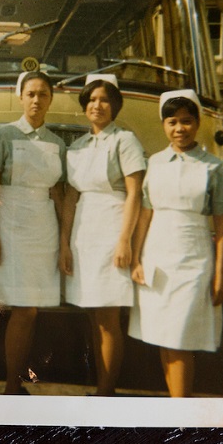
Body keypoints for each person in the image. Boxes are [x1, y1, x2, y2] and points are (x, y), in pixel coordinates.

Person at [128, 90, 223, 397]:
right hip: (157, 258)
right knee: (165, 337)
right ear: (164, 125)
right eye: (172, 122)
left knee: (180, 339)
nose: (180, 129)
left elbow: (221, 225)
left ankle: (182, 411)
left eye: (187, 122)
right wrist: (137, 259)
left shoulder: (212, 167)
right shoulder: (155, 163)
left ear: (197, 123)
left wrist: (221, 275)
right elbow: (145, 216)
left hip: (193, 257)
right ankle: (180, 406)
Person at [0, 71, 66, 395]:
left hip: (43, 227)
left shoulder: (57, 143)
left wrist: (62, 239)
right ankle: (10, 384)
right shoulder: (4, 136)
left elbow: (57, 195)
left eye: (42, 94)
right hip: (11, 223)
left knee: (32, 308)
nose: (36, 100)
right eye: (30, 93)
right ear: (20, 97)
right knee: (24, 308)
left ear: (50, 99)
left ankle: (14, 381)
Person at [60, 74, 146, 396]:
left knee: (109, 315)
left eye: (105, 99)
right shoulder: (78, 147)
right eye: (92, 100)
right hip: (85, 230)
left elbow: (135, 193)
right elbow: (71, 196)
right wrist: (66, 242)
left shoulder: (126, 140)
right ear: (85, 106)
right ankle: (101, 387)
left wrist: (124, 240)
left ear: (115, 105)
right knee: (94, 314)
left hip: (112, 225)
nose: (98, 105)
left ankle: (107, 392)